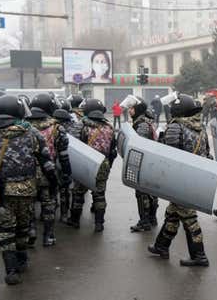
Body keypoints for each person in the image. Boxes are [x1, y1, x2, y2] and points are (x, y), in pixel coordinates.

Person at [0, 95, 57, 284]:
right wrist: (54, 182)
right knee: (23, 225)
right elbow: (46, 161)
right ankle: (22, 259)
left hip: (0, 191)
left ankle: (10, 270)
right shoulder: (32, 133)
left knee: (5, 229)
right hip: (27, 189)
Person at [148, 94, 211, 267]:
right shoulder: (200, 128)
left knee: (189, 217)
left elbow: (169, 157)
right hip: (196, 177)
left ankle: (200, 255)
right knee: (173, 213)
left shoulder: (176, 127)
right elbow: (207, 154)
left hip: (181, 180)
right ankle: (161, 246)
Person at [64, 99, 116, 233]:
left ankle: (74, 220)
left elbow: (73, 146)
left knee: (78, 193)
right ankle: (99, 223)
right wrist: (108, 165)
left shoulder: (81, 125)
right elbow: (113, 150)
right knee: (99, 194)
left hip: (84, 163)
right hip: (102, 163)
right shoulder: (109, 127)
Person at [27, 94, 72, 247]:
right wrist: (66, 173)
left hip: (27, 172)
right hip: (49, 171)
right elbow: (63, 155)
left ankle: (31, 231)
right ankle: (48, 236)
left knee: (30, 204)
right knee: (49, 204)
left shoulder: (23, 126)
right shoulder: (57, 127)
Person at [125, 96, 159, 232]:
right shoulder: (144, 121)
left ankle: (145, 221)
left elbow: (139, 145)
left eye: (131, 108)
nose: (129, 110)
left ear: (137, 109)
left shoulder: (142, 124)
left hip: (145, 163)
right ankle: (151, 218)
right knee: (150, 192)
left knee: (142, 192)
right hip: (150, 161)